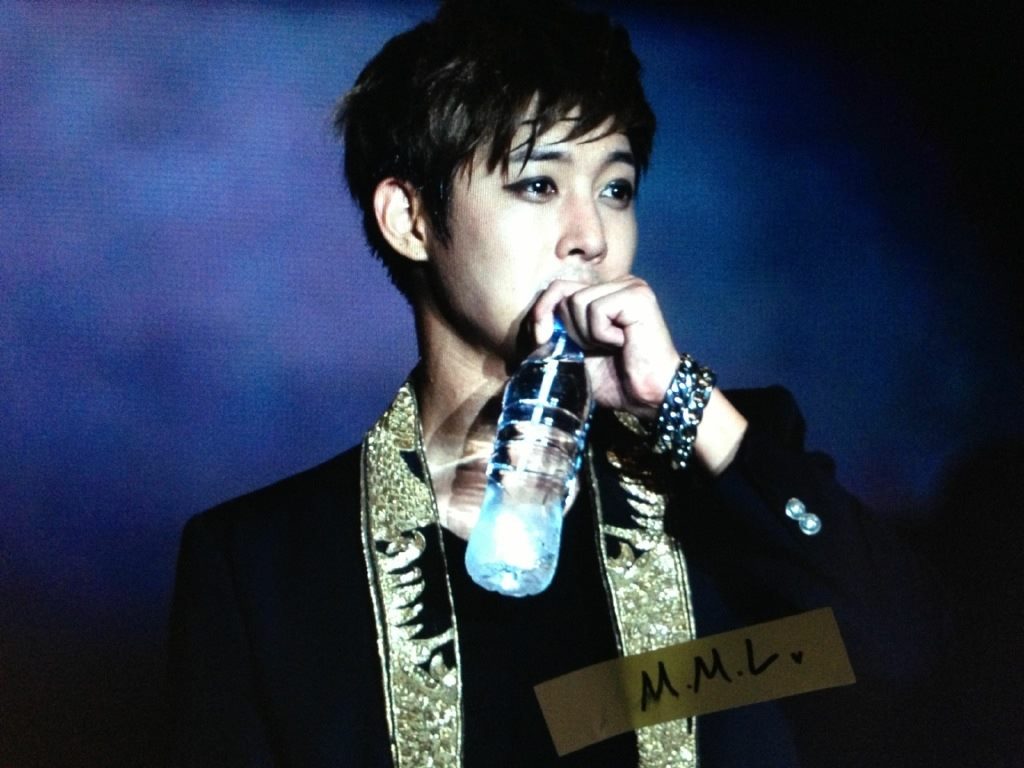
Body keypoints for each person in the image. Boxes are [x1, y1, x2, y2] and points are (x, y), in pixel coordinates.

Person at [167, 1, 943, 765]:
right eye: (539, 184)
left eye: (616, 189)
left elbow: (901, 650)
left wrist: (683, 403)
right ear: (410, 217)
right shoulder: (267, 567)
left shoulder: (723, 477)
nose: (592, 238)